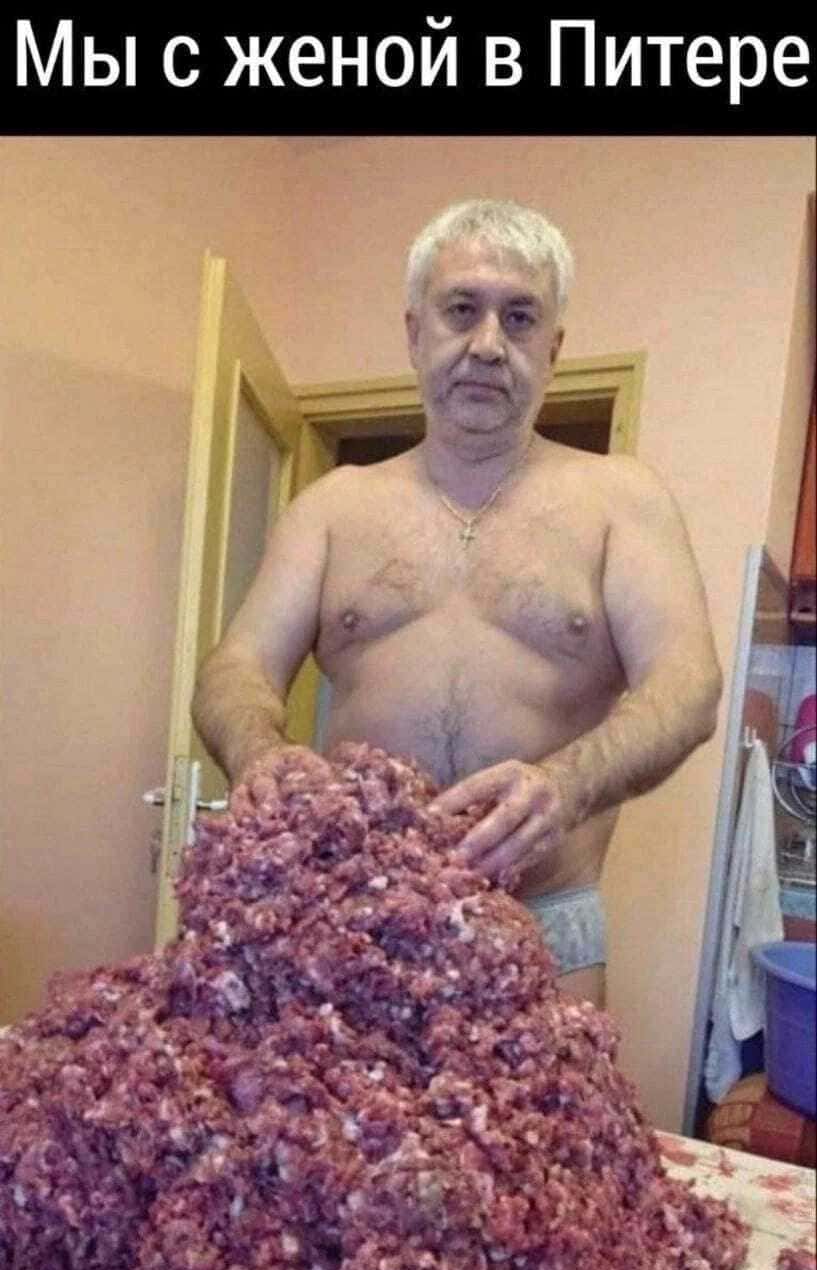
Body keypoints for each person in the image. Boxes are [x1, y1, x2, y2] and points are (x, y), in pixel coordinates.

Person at [192, 198, 722, 1008]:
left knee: (548, 1100)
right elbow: (235, 669)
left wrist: (566, 784)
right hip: (347, 924)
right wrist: (260, 755)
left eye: (519, 318)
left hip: (542, 922)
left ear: (553, 348)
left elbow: (687, 686)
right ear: (415, 332)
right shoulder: (331, 508)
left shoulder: (623, 501)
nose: (487, 344)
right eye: (461, 309)